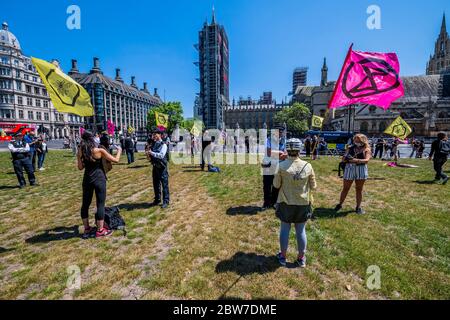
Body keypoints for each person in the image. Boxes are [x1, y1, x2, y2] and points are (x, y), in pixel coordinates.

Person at [273, 138, 317, 268]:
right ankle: (301, 258)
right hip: (303, 203)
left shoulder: (281, 166)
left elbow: (276, 185)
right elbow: (314, 186)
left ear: (287, 150)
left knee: (285, 229)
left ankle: (283, 256)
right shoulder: (308, 166)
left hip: (286, 203)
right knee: (300, 230)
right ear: (300, 149)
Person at [77, 131, 122, 239]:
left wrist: (79, 156)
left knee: (85, 204)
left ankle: (87, 229)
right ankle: (100, 230)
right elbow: (116, 160)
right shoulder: (99, 151)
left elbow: (80, 167)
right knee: (100, 204)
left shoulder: (81, 151)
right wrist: (119, 150)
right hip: (99, 179)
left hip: (87, 179)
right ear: (92, 139)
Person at [335, 134, 372, 215]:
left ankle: (358, 207)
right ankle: (340, 204)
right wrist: (345, 158)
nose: (356, 142)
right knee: (345, 188)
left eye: (358, 140)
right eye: (355, 140)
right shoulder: (350, 148)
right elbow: (344, 159)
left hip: (361, 170)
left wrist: (354, 160)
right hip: (349, 169)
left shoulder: (366, 149)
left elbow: (366, 160)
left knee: (359, 189)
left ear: (363, 141)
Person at [147, 128, 170, 209]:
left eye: (155, 134)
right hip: (155, 167)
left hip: (162, 168)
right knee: (156, 184)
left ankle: (166, 201)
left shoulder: (164, 144)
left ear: (159, 135)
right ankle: (157, 199)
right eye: (153, 134)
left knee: (164, 185)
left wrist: (151, 153)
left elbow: (161, 155)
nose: (153, 136)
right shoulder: (153, 144)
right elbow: (150, 157)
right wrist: (148, 155)